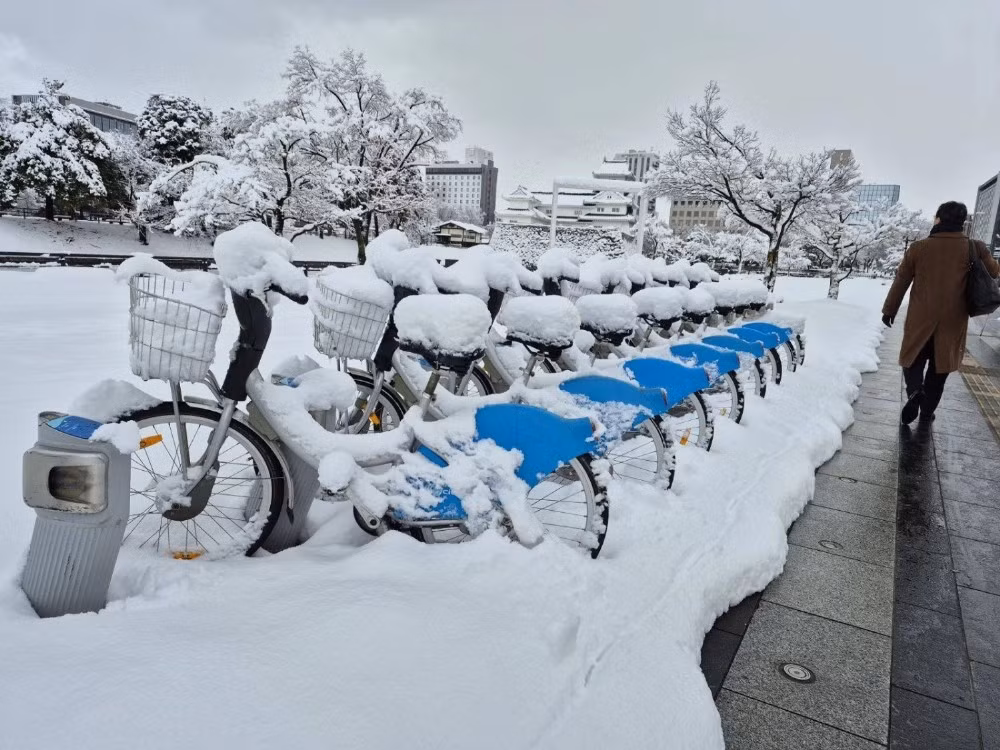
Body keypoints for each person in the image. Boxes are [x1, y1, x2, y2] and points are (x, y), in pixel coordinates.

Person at [882, 201, 999, 425]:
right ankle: (927, 411)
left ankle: (915, 392)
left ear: (938, 219)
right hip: (954, 319)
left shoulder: (919, 248)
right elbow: (994, 272)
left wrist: (889, 310)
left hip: (920, 316)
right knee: (940, 367)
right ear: (962, 222)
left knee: (912, 359)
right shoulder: (975, 247)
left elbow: (901, 281)